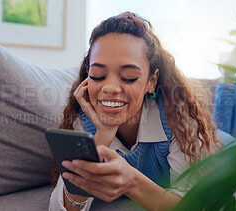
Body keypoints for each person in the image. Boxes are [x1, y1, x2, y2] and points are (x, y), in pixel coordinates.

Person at [49, 12, 223, 211]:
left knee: (234, 124)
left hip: (220, 146)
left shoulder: (179, 119)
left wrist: (131, 181)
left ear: (151, 81)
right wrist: (102, 134)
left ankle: (229, 78)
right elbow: (60, 207)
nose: (110, 88)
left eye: (129, 77)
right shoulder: (86, 120)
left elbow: (193, 206)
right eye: (98, 75)